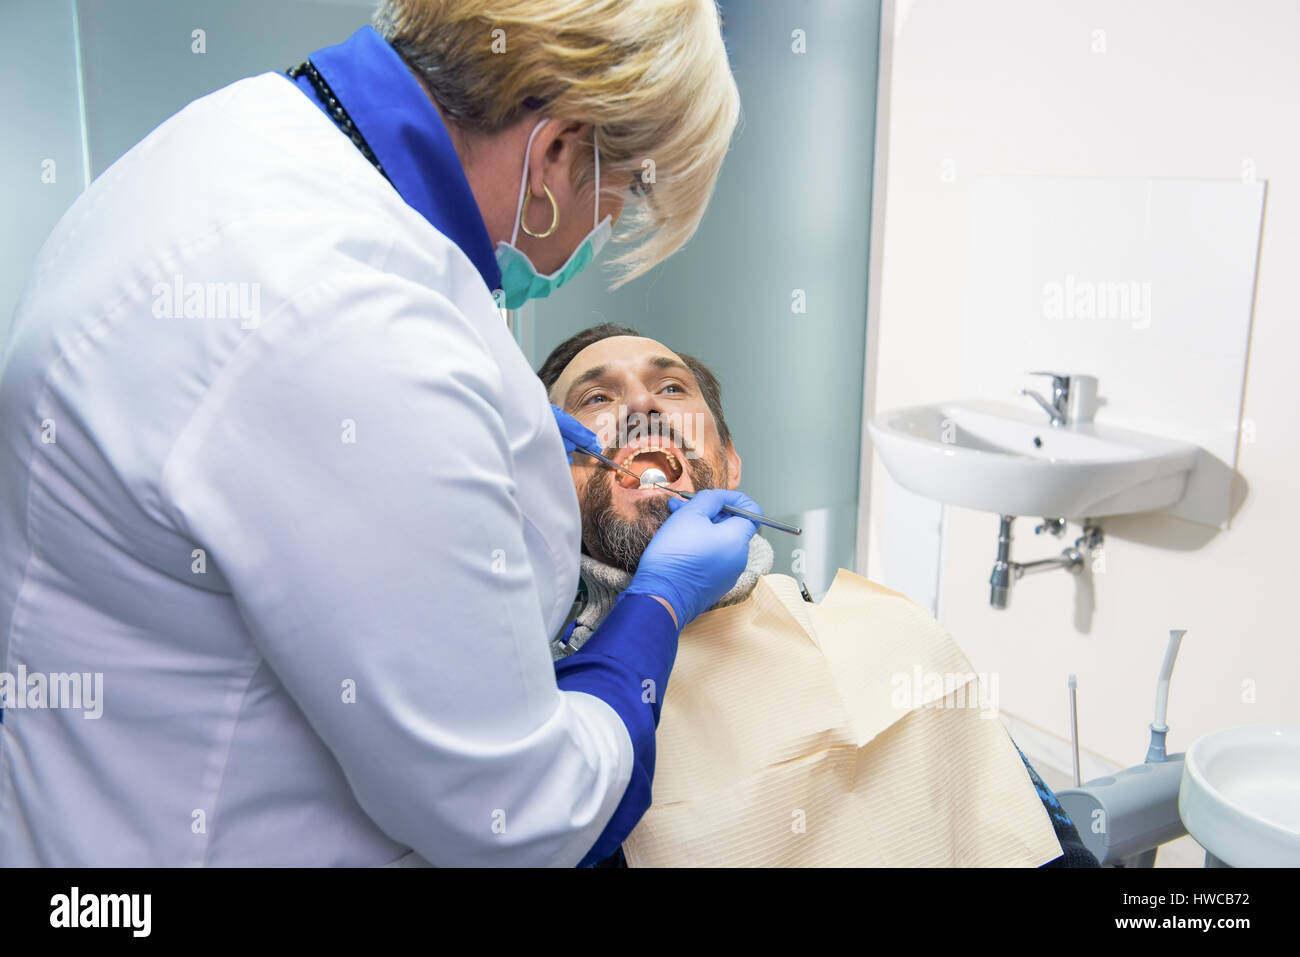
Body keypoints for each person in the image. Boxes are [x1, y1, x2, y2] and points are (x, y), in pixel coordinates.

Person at [0, 2, 758, 867]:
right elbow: (518, 814)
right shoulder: (348, 324)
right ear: (557, 154)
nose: (611, 223)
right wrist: (656, 607)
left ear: (731, 458)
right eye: (627, 193)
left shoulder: (236, 143)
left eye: (671, 387)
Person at [538, 324, 1101, 867]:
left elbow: (1045, 845)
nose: (642, 405)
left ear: (730, 464)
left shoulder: (893, 635)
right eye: (597, 397)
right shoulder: (537, 705)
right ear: (548, 480)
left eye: (670, 387)